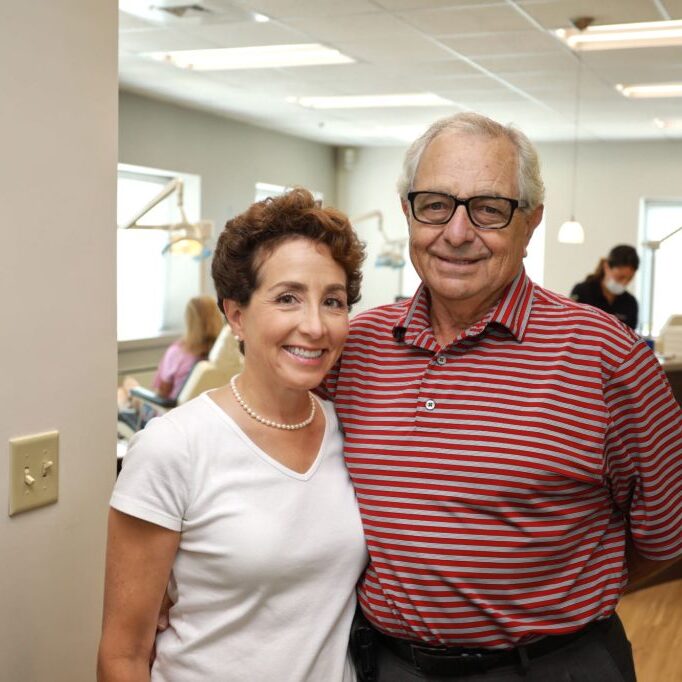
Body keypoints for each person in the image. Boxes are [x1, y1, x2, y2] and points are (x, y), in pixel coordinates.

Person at [324, 113, 682, 681]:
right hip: (384, 665)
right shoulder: (354, 348)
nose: (457, 232)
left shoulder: (607, 358)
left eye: (489, 208)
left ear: (531, 221)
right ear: (407, 212)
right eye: (435, 204)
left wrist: (550, 605)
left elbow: (662, 535)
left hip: (550, 667)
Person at [98, 189, 368, 681]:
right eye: (287, 298)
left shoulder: (352, 432)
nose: (314, 325)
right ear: (237, 316)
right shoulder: (174, 447)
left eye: (333, 301)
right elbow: (123, 655)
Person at [117, 294, 224, 411]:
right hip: (202, 413)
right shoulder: (222, 356)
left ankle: (128, 409)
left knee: (126, 387)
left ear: (190, 320)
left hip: (168, 414)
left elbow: (161, 393)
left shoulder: (178, 352)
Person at [570, 244, 640, 329]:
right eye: (620, 277)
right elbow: (570, 324)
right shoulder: (582, 291)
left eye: (629, 279)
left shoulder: (631, 303)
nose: (624, 283)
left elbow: (630, 338)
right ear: (606, 267)